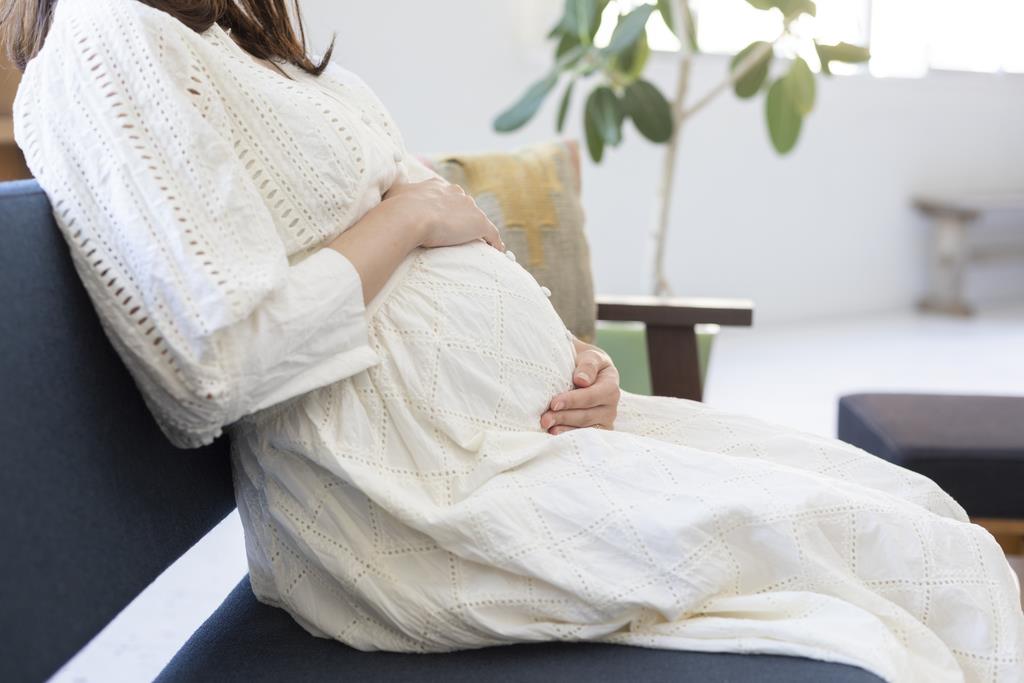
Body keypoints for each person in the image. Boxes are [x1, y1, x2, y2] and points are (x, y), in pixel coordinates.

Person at [6, 0, 1022, 680]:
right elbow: (218, 359)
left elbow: (455, 226)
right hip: (412, 497)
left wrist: (571, 355)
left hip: (517, 440)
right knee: (913, 566)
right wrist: (408, 216)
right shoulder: (106, 38)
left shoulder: (235, 42)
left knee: (921, 514)